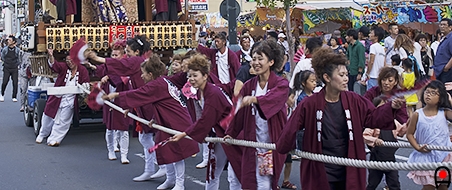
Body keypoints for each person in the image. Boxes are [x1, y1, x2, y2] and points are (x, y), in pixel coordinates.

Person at [276, 47, 404, 190]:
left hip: (349, 163)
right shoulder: (309, 103)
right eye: (341, 75)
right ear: (327, 77)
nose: (346, 79)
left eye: (346, 74)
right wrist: (284, 147)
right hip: (321, 165)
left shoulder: (354, 100)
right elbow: (290, 128)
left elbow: (373, 118)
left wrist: (390, 107)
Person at [103, 54, 199, 190]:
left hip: (176, 121)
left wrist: (116, 95)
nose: (141, 76)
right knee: (166, 149)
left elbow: (138, 93)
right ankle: (170, 179)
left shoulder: (157, 84)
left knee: (177, 153)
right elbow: (161, 101)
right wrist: (154, 118)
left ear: (150, 74)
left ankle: (179, 183)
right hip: (168, 120)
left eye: (143, 74)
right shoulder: (164, 80)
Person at [86, 36, 159, 181]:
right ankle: (151, 169)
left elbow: (120, 66)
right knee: (145, 138)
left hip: (148, 102)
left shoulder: (137, 61)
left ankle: (163, 168)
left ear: (137, 51)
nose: (127, 54)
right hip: (141, 102)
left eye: (128, 51)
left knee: (156, 137)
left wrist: (97, 58)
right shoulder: (139, 61)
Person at [170, 54, 242, 190]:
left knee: (235, 175)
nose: (191, 79)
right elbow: (204, 119)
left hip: (233, 134)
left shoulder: (213, 93)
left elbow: (205, 120)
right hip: (219, 135)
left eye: (195, 75)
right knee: (213, 171)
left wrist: (184, 134)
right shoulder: (200, 92)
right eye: (189, 76)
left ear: (205, 76)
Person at [225, 39, 289, 190]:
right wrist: (231, 133)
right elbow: (239, 113)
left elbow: (274, 98)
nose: (256, 62)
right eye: (254, 58)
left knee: (264, 183)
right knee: (250, 181)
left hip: (270, 145)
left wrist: (255, 99)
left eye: (260, 58)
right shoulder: (249, 85)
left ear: (271, 62)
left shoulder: (281, 84)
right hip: (253, 142)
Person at [36, 44, 90, 146]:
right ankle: (42, 134)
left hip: (71, 99)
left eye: (72, 60)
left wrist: (85, 87)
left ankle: (55, 139)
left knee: (64, 121)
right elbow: (54, 65)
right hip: (57, 97)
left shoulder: (82, 70)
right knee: (48, 116)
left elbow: (86, 83)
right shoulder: (64, 68)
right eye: (68, 61)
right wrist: (51, 56)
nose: (70, 63)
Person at [406, 80, 452, 189]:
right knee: (429, 187)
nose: (428, 95)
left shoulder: (444, 112)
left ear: (441, 97)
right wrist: (417, 147)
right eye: (427, 92)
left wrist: (450, 101)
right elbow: (409, 134)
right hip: (426, 158)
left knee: (443, 186)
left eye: (433, 93)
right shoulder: (417, 114)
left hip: (444, 157)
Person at [92, 40, 131, 163]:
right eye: (112, 55)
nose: (114, 57)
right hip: (108, 97)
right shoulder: (107, 65)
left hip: (121, 97)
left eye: (116, 55)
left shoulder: (126, 66)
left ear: (122, 55)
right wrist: (91, 66)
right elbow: (99, 70)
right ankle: (111, 150)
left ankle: (124, 154)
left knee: (123, 128)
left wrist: (109, 77)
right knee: (109, 128)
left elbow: (123, 80)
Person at [363, 97, 403, 190]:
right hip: (376, 159)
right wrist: (374, 140)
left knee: (395, 184)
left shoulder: (393, 121)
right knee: (372, 184)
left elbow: (401, 132)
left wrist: (410, 123)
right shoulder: (373, 122)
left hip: (390, 159)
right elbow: (364, 136)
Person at [0, 35, 21, 102]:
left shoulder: (17, 50)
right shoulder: (5, 49)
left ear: (13, 42)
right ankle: (2, 94)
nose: (8, 41)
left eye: (9, 40)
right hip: (7, 67)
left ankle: (14, 96)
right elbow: (2, 56)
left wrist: (17, 64)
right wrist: (5, 62)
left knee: (15, 82)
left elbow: (19, 58)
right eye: (8, 40)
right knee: (5, 82)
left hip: (14, 67)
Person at [434, 18, 452, 84]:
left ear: (450, 27)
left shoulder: (451, 38)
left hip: (447, 72)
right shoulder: (443, 38)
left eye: (444, 25)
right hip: (439, 71)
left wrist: (446, 67)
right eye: (441, 25)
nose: (442, 27)